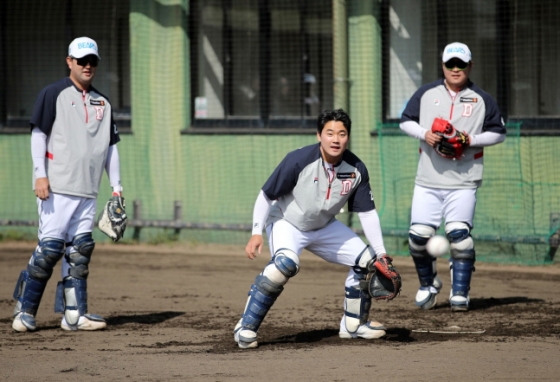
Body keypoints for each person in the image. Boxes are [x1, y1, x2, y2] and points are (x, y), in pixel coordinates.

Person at [233, 109, 399, 349]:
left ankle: (353, 325)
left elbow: (367, 213)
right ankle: (245, 327)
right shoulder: (299, 160)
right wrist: (256, 232)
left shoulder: (356, 169)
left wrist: (381, 252)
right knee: (284, 265)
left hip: (323, 226)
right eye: (329, 133)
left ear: (348, 137)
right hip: (287, 222)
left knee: (368, 262)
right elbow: (266, 196)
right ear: (319, 135)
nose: (335, 139)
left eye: (341, 134)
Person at [11, 37, 123, 332]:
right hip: (56, 187)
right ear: (69, 61)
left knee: (79, 252)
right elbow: (39, 135)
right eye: (82, 60)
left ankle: (74, 315)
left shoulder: (103, 102)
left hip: (88, 189)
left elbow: (111, 148)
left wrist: (117, 188)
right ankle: (24, 312)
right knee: (49, 250)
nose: (88, 66)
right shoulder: (53, 94)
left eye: (93, 61)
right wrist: (40, 174)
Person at [399, 42, 506, 312]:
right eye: (450, 64)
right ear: (443, 65)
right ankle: (428, 284)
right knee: (417, 237)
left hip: (463, 179)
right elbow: (405, 121)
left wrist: (470, 139)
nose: (455, 69)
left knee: (460, 236)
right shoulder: (426, 94)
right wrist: (425, 134)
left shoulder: (482, 99)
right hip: (428, 179)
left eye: (461, 64)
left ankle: (460, 292)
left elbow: (498, 132)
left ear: (470, 66)